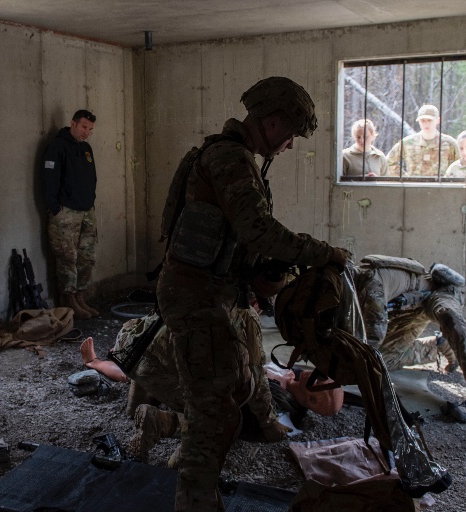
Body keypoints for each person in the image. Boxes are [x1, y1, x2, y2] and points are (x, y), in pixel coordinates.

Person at [156, 76, 350, 512]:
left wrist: (256, 277)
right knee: (216, 409)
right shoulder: (230, 159)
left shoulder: (234, 156)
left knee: (241, 385)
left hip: (211, 292)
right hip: (195, 298)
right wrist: (325, 253)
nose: (291, 146)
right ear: (274, 122)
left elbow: (233, 238)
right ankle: (195, 497)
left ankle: (192, 470)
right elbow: (258, 230)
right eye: (292, 136)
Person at [80, 306, 290, 466]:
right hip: (171, 376)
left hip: (134, 355)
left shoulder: (187, 282)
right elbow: (257, 378)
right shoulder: (245, 313)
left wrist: (96, 362)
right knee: (225, 419)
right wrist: (268, 422)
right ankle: (162, 429)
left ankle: (132, 405)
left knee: (167, 360)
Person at [353, 254, 466, 422]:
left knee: (452, 321)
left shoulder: (369, 283)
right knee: (383, 360)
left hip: (437, 293)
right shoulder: (351, 282)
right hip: (407, 305)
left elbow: (374, 336)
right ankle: (437, 346)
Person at [41, 109, 99, 320]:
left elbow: (91, 179)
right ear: (73, 124)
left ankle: (80, 297)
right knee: (67, 257)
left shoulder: (86, 149)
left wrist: (90, 204)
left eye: (90, 129)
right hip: (65, 212)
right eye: (84, 127)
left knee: (87, 256)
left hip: (86, 211)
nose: (87, 132)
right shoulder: (57, 147)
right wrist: (54, 208)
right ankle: (69, 301)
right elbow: (50, 179)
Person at [384, 104, 459, 177]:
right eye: (422, 120)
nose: (426, 124)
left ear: (438, 120)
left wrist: (449, 179)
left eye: (430, 120)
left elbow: (462, 164)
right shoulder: (407, 143)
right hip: (414, 187)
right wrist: (405, 178)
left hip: (440, 187)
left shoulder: (449, 143)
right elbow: (389, 162)